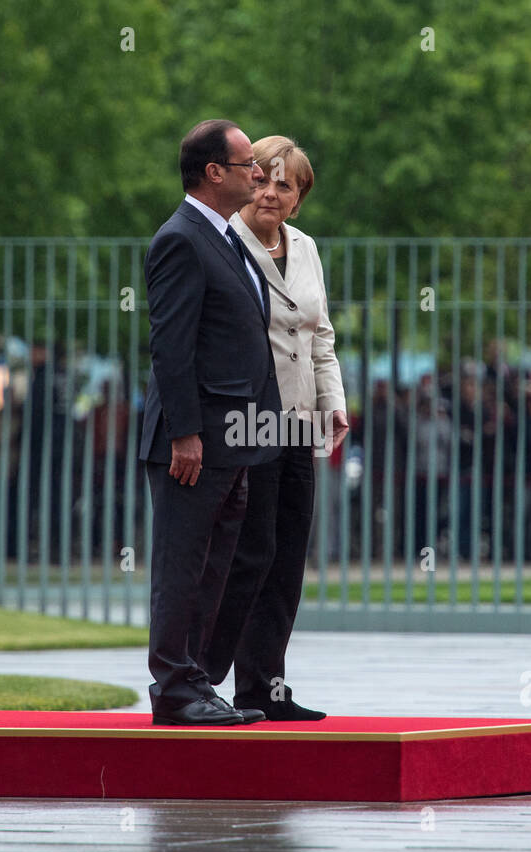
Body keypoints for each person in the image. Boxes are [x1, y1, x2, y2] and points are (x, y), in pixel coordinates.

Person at [139, 119, 282, 726]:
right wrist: (185, 432)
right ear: (213, 172)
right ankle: (173, 687)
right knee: (183, 564)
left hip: (234, 439)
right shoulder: (181, 239)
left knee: (214, 566)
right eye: (248, 162)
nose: (259, 172)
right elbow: (172, 347)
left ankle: (195, 683)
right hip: (196, 441)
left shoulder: (223, 238)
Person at [203, 135, 348, 721]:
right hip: (248, 420)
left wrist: (333, 403)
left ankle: (267, 689)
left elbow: (321, 338)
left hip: (301, 420)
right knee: (248, 554)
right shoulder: (223, 244)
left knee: (287, 558)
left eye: (283, 184)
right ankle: (203, 679)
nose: (269, 191)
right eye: (261, 178)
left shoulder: (307, 249)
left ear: (298, 198)